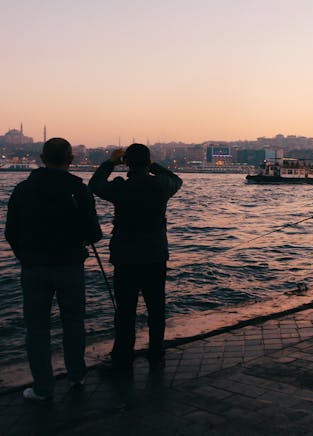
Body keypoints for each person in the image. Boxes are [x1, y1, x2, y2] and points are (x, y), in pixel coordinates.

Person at [4, 138, 102, 402]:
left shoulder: (23, 190)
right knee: (73, 322)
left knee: (36, 329)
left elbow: (11, 232)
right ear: (70, 160)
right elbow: (94, 233)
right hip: (70, 265)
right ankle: (76, 376)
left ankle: (43, 388)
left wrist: (24, 256)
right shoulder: (78, 191)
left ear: (41, 158)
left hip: (34, 267)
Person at [89, 144, 182, 372]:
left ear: (127, 163)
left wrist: (111, 163)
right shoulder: (159, 185)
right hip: (154, 255)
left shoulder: (121, 187)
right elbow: (176, 180)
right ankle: (156, 352)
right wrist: (154, 167)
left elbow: (95, 185)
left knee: (125, 311)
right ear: (148, 161)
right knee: (156, 307)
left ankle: (122, 357)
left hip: (126, 256)